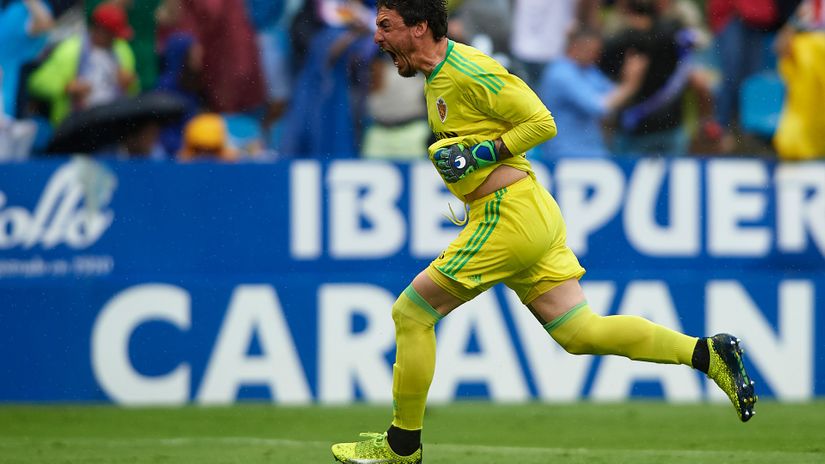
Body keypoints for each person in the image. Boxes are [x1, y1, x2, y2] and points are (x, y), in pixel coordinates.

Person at [330, 0, 758, 463]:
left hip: (508, 215)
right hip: (526, 211)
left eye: (385, 25)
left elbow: (541, 121)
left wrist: (479, 155)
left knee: (412, 313)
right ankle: (706, 353)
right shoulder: (437, 77)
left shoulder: (469, 69)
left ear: (418, 28)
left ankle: (402, 446)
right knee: (580, 331)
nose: (377, 37)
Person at [538, 28, 648, 159]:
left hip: (592, 152)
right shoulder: (560, 73)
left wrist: (628, 78)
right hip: (566, 154)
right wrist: (630, 85)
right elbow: (598, 106)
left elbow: (614, 95)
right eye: (592, 51)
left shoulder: (588, 70)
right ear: (576, 47)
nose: (597, 57)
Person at [27, 2, 138, 127]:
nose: (115, 39)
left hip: (113, 122)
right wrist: (66, 87)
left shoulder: (123, 50)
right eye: (112, 34)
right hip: (76, 124)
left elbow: (132, 92)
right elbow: (36, 83)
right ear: (99, 30)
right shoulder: (70, 50)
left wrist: (130, 84)